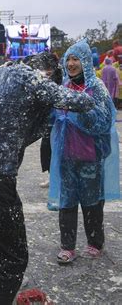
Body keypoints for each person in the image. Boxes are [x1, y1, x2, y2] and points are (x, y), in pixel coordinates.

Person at [0, 52, 95, 305]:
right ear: (44, 71)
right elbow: (80, 102)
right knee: (14, 257)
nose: (47, 84)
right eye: (49, 78)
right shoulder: (32, 78)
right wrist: (94, 92)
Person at [48, 40, 119, 264]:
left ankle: (94, 242)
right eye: (68, 59)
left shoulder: (96, 87)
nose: (71, 64)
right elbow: (52, 116)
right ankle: (67, 246)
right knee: (67, 201)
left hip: (90, 156)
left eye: (75, 59)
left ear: (86, 61)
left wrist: (78, 111)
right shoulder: (64, 87)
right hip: (66, 155)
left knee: (92, 202)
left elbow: (105, 120)